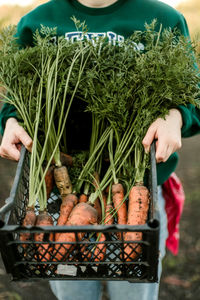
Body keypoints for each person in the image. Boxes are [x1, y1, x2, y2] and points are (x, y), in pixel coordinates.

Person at [0, 0, 200, 299]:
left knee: (134, 287)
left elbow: (192, 93)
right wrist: (11, 121)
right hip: (57, 195)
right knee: (71, 288)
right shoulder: (36, 21)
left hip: (138, 185)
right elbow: (14, 98)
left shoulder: (164, 19)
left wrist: (175, 116)